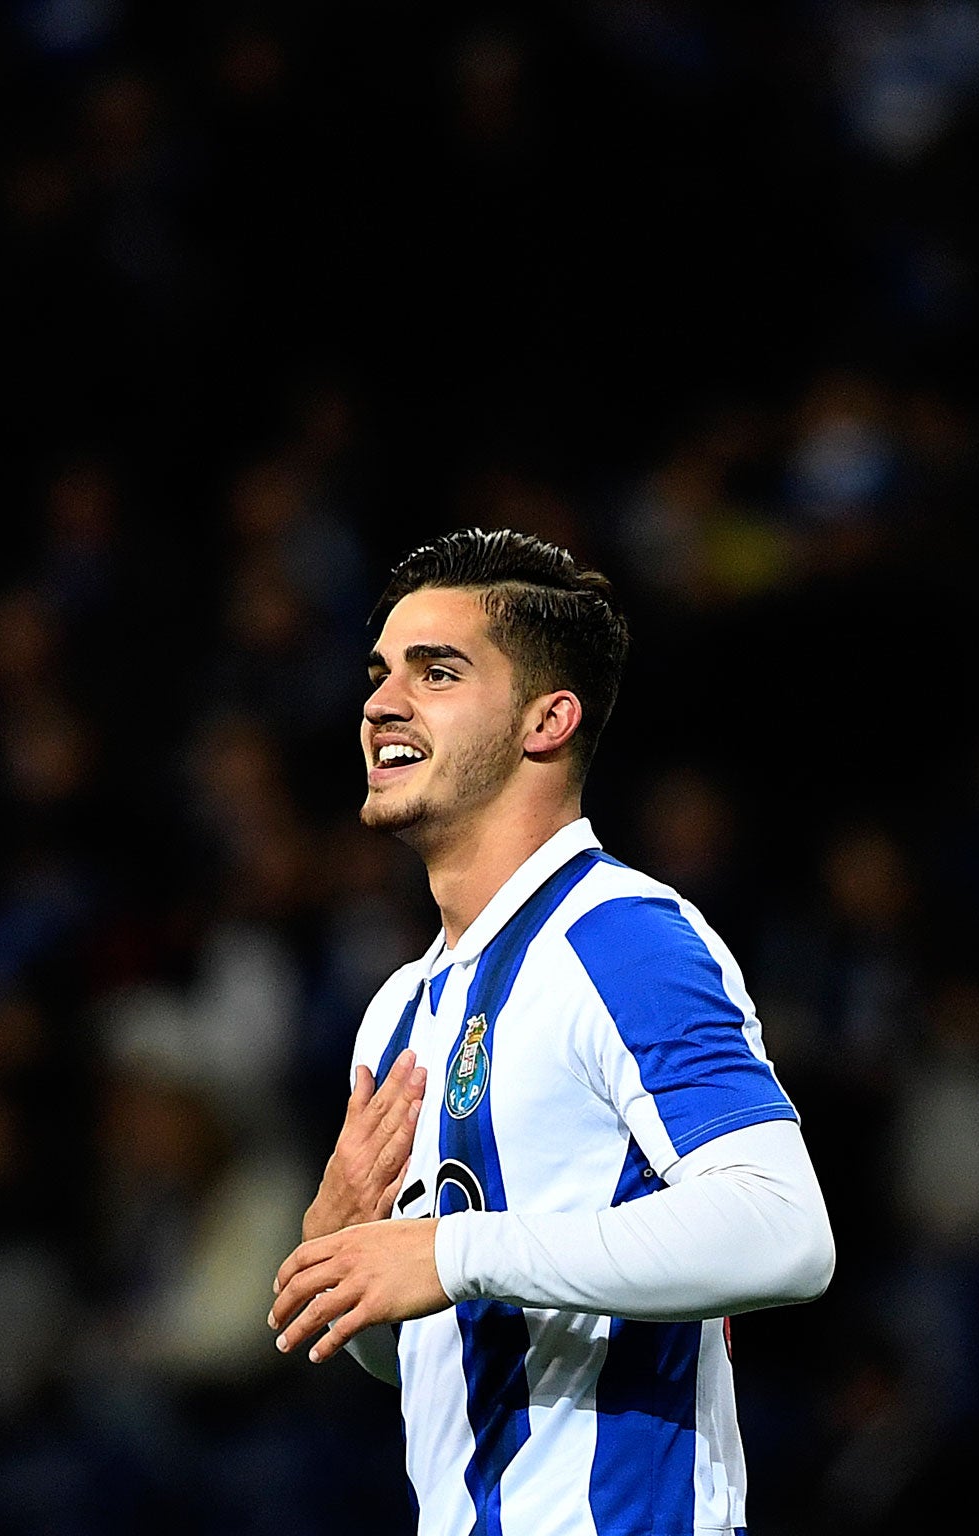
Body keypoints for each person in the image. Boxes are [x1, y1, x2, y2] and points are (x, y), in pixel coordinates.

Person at [269, 529, 834, 1535]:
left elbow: (784, 1232)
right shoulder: (398, 1006)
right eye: (379, 673)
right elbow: (429, 1351)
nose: (379, 704)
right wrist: (342, 1255)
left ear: (546, 720)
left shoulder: (623, 942)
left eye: (434, 672)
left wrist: (454, 1250)